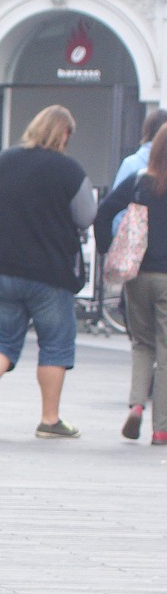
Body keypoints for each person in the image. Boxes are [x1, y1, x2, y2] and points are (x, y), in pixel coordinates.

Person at [0, 105, 96, 440]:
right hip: (48, 272)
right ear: (64, 133)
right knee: (55, 343)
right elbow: (85, 216)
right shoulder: (69, 170)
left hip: (3, 265)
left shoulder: (4, 161)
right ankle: (49, 420)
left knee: (5, 338)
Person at [95, 122, 167, 445]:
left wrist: (104, 247)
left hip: (137, 274)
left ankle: (137, 403)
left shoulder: (140, 182)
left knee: (141, 344)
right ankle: (161, 427)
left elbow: (104, 210)